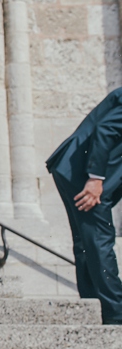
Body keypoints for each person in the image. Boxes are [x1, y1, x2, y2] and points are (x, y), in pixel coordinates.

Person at [47, 87, 122, 325]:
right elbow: (107, 128)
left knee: (87, 241)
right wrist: (95, 178)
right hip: (83, 175)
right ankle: (116, 313)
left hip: (73, 170)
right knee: (99, 238)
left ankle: (93, 306)